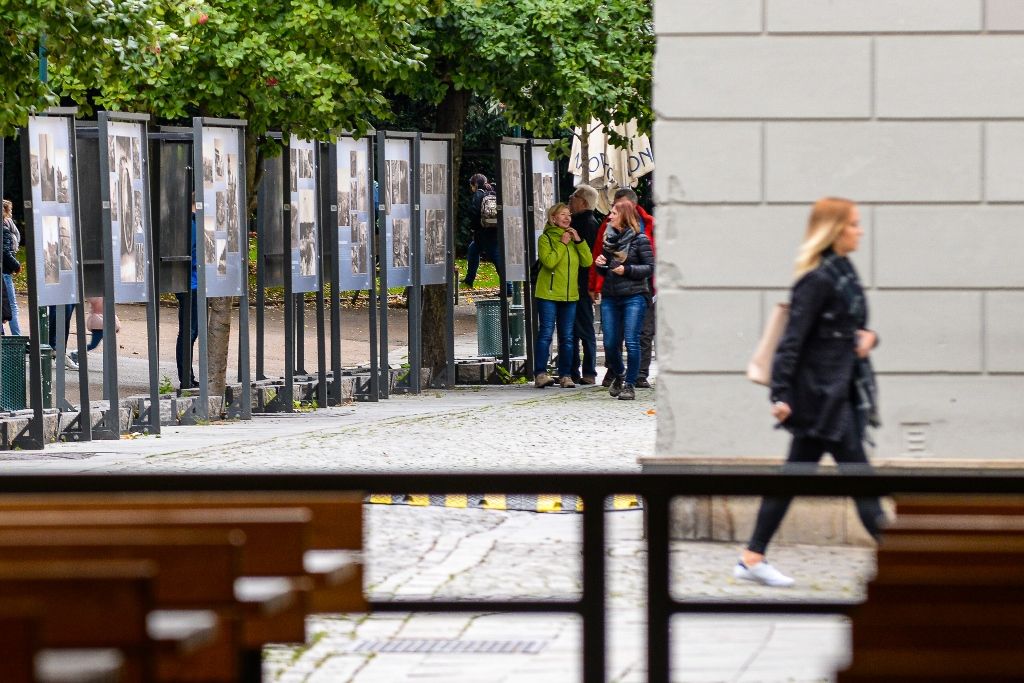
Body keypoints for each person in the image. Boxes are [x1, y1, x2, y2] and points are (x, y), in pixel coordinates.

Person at [734, 197, 885, 588]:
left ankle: (752, 556)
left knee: (793, 476)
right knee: (861, 482)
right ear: (834, 230)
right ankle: (907, 567)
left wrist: (867, 338)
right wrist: (779, 395)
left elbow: (841, 331)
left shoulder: (843, 273)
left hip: (839, 392)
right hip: (822, 399)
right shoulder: (817, 279)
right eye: (853, 224)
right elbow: (792, 342)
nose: (860, 231)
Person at [589, 188, 656, 387]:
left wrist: (626, 270)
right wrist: (601, 267)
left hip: (635, 294)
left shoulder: (641, 237)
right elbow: (603, 266)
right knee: (610, 343)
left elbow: (650, 266)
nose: (609, 216)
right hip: (611, 294)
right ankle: (620, 373)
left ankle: (632, 382)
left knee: (634, 339)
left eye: (614, 212)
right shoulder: (608, 238)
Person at [533, 203, 592, 388]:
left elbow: (588, 261)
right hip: (548, 294)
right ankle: (540, 374)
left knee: (567, 337)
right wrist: (562, 243)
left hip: (569, 296)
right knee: (546, 334)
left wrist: (579, 241)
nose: (567, 218)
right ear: (553, 218)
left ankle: (565, 375)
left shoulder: (573, 240)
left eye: (569, 215)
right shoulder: (545, 239)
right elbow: (549, 262)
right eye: (563, 215)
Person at [568, 185, 601, 385]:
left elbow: (589, 258)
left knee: (583, 328)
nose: (570, 199)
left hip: (580, 285)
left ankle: (587, 371)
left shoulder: (586, 223)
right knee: (575, 329)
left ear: (584, 202)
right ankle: (577, 371)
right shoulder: (584, 221)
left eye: (575, 196)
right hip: (577, 284)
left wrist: (592, 286)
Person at [462, 174, 503, 288]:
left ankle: (507, 287)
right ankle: (469, 280)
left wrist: (473, 227)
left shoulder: (479, 194)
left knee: (496, 256)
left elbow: (474, 213)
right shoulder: (493, 190)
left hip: (484, 232)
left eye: (471, 185)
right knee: (473, 250)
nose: (471, 188)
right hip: (494, 230)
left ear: (475, 184)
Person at [176, 209, 200, 389]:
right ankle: (185, 377)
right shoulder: (192, 224)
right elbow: (193, 253)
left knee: (191, 331)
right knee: (189, 331)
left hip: (193, 282)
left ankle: (187, 376)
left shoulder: (191, 222)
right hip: (192, 283)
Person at [69, 297, 120, 365]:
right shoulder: (98, 297)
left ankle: (110, 362)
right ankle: (76, 352)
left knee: (107, 343)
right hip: (99, 323)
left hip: (102, 322)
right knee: (94, 344)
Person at [1, 200, 22, 336]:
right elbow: (5, 253)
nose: (11, 213)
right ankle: (17, 336)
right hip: (4, 272)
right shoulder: (4, 229)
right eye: (9, 210)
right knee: (12, 306)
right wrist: (17, 266)